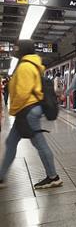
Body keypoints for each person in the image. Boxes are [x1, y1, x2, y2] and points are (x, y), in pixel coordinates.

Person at [0, 40, 63, 189]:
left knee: (40, 144)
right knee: (11, 142)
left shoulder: (25, 67)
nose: (14, 49)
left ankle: (53, 177)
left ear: (23, 49)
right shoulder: (31, 64)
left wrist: (13, 110)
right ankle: (1, 176)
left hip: (27, 110)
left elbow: (22, 93)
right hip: (27, 110)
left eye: (17, 47)